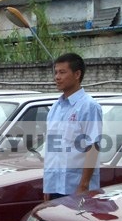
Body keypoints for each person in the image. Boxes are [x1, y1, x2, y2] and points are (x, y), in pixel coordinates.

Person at [43, 52, 103, 201]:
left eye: (62, 72)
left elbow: (93, 147)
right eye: (56, 72)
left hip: (76, 189)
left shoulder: (89, 107)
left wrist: (83, 185)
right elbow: (52, 149)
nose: (57, 77)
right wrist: (47, 186)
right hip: (55, 187)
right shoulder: (55, 108)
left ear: (77, 74)